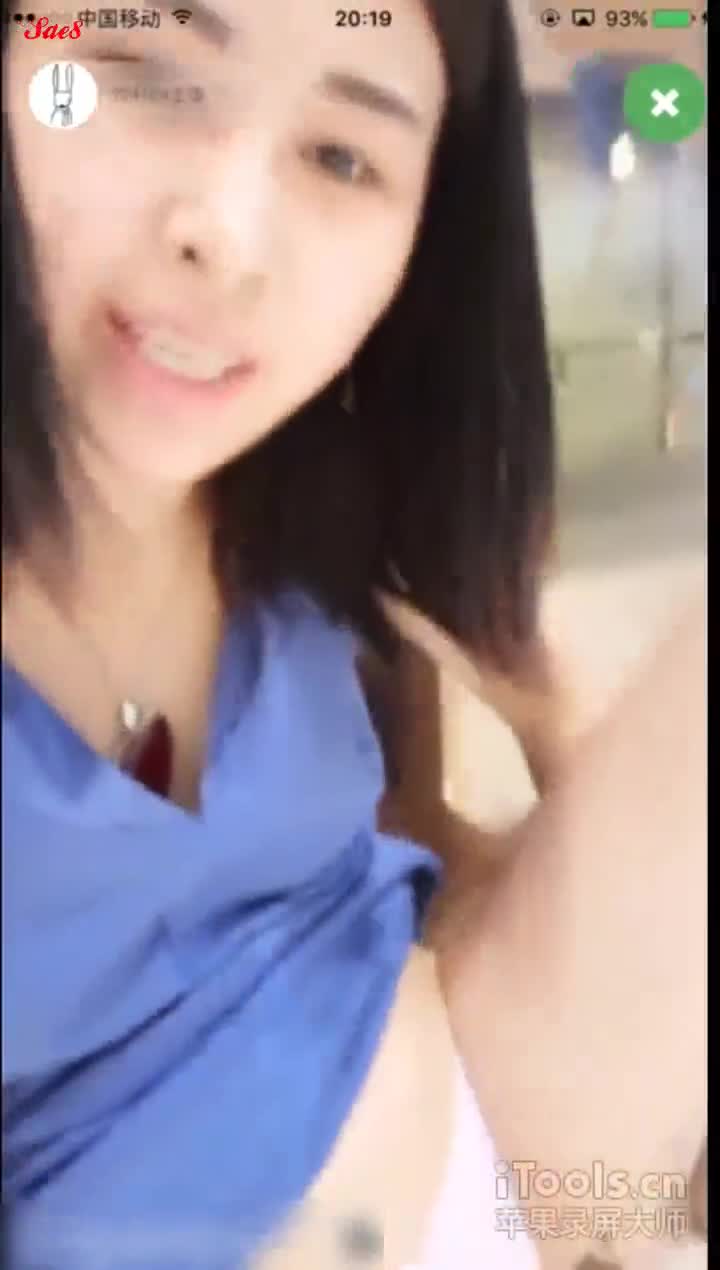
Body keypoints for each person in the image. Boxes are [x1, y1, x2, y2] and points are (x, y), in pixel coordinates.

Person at [2, 1, 705, 1268]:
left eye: (342, 157)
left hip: (502, 1136)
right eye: (144, 72)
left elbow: (402, 860)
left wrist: (556, 727)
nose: (227, 237)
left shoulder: (307, 536)